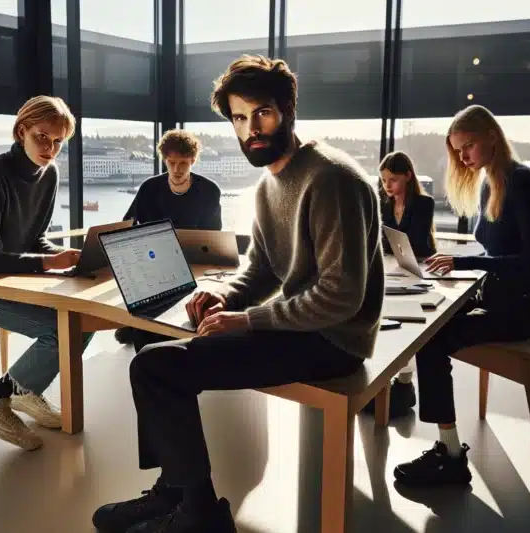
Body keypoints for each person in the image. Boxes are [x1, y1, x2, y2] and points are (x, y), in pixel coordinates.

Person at [91, 55, 384, 533]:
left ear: (288, 109)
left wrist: (247, 320)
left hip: (334, 341)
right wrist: (227, 296)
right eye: (239, 118)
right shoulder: (271, 184)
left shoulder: (331, 178)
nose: (251, 129)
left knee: (155, 367)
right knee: (152, 353)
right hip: (302, 327)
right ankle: (176, 493)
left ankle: (198, 513)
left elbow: (341, 297)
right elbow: (263, 269)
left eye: (262, 112)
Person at [393, 104, 530, 488]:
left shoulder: (523, 182)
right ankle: (406, 399)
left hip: (519, 309)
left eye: (469, 146)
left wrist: (464, 261)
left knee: (431, 341)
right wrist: (458, 264)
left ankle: (449, 455)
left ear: (492, 137)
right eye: (457, 150)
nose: (463, 157)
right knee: (425, 316)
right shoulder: (488, 183)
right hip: (495, 295)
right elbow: (495, 250)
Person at [0, 95, 93, 451]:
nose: (50, 148)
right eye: (42, 137)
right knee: (63, 331)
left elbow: (35, 238)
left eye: (58, 142)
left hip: (7, 274)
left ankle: (24, 390)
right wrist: (48, 264)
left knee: (82, 322)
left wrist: (65, 256)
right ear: (21, 130)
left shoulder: (49, 173)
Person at [115, 129, 222, 347]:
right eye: (171, 162)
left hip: (193, 265)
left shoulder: (209, 191)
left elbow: (214, 240)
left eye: (183, 163)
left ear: (193, 160)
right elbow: (127, 227)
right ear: (164, 160)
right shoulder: (149, 188)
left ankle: (142, 330)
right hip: (152, 263)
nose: (176, 169)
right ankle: (142, 333)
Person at [363, 151, 436, 419]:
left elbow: (416, 243)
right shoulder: (383, 204)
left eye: (393, 180)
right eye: (383, 181)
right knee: (383, 316)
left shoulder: (424, 203)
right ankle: (389, 382)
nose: (387, 186)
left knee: (407, 323)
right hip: (392, 267)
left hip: (419, 268)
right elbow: (379, 241)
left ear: (408, 176)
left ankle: (404, 384)